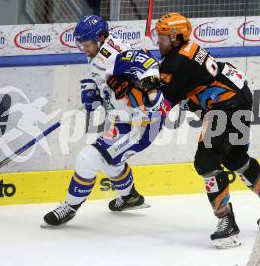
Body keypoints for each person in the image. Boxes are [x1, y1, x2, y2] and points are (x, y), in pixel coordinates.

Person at [152, 13, 260, 248]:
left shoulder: (176, 63)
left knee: (205, 161)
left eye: (162, 38)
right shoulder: (184, 52)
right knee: (236, 159)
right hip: (238, 97)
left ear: (176, 38)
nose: (158, 42)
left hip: (226, 105)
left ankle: (227, 222)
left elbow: (160, 104)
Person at [43, 15, 171, 227]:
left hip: (143, 124)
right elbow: (105, 79)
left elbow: (148, 63)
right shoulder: (99, 51)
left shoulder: (112, 54)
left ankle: (70, 205)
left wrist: (149, 85)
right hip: (124, 120)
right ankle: (131, 197)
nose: (84, 49)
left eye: (87, 44)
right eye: (81, 45)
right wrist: (94, 89)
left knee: (89, 157)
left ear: (101, 37)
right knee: (111, 158)